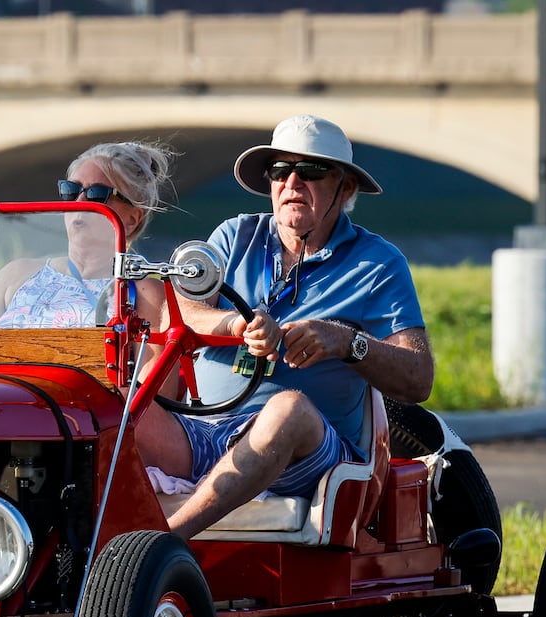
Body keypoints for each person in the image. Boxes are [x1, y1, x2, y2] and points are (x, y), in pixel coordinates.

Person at [136, 114, 434, 540]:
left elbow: (418, 377)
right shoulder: (234, 236)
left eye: (310, 172)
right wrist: (238, 324)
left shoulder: (378, 264)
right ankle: (53, 554)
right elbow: (178, 316)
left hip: (306, 455)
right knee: (111, 408)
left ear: (345, 189)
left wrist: (347, 342)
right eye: (280, 171)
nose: (292, 183)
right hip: (205, 433)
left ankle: (163, 542)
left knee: (287, 409)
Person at [0, 140, 173, 329]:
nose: (79, 203)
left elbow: (151, 369)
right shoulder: (15, 275)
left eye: (97, 194)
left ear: (131, 219)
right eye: (71, 190)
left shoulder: (145, 293)